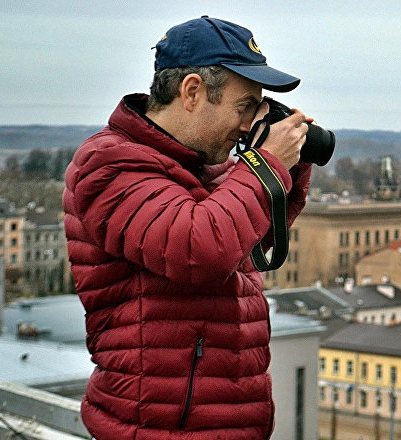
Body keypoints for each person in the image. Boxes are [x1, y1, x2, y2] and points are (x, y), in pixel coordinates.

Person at [63, 16, 312, 440]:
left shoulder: (205, 168)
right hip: (157, 428)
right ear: (192, 91)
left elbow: (251, 241)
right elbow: (201, 251)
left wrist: (291, 165)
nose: (248, 125)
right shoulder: (110, 164)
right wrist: (266, 164)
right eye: (245, 106)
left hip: (221, 423)